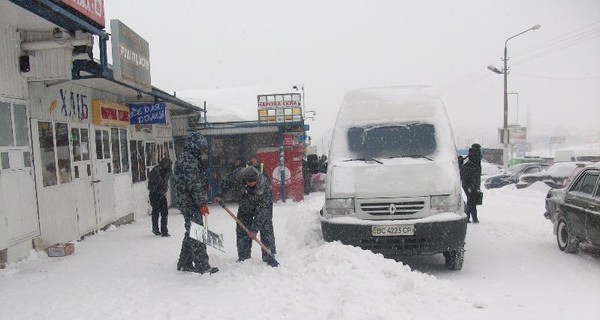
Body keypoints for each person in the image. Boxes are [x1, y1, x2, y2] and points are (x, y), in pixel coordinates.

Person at [214, 166, 278, 267]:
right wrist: (220, 194)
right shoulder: (238, 175)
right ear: (244, 179)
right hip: (246, 204)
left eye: (254, 181)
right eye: (249, 181)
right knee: (242, 230)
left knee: (266, 229)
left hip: (262, 205)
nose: (252, 183)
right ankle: (244, 257)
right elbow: (227, 182)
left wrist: (254, 229)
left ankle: (269, 256)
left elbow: (263, 211)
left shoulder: (264, 185)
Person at [173, 132, 218, 274]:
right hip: (190, 202)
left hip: (188, 200)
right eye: (201, 148)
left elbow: (196, 180)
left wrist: (205, 184)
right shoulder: (189, 159)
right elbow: (193, 184)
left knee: (191, 230)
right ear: (195, 146)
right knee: (198, 231)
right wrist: (202, 203)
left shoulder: (189, 157)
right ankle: (202, 265)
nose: (203, 151)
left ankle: (184, 262)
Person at [148, 157, 173, 237]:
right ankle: (157, 229)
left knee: (163, 213)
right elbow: (160, 182)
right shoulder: (156, 170)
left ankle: (163, 230)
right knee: (156, 211)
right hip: (155, 194)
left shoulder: (165, 171)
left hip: (161, 194)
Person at [460, 143, 483, 223]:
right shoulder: (476, 159)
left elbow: (462, 169)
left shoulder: (468, 158)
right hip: (472, 183)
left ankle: (468, 217)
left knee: (470, 200)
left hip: (467, 183)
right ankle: (472, 218)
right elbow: (476, 174)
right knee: (472, 200)